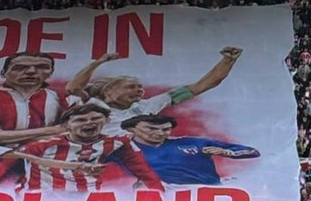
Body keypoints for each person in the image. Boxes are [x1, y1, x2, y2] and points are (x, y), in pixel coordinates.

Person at [66, 46, 243, 136]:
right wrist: (97, 63)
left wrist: (228, 61)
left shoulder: (149, 105)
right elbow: (73, 88)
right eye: (131, 86)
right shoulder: (91, 105)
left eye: (140, 87)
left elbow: (202, 86)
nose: (139, 90)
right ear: (108, 91)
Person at [11, 103, 163, 192]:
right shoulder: (44, 144)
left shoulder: (120, 142)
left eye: (96, 118)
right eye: (80, 120)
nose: (89, 123)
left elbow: (144, 171)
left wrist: (160, 194)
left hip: (87, 199)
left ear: (107, 120)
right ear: (66, 125)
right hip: (43, 197)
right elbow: (6, 159)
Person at [0, 52, 74, 143]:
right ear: (3, 73)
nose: (31, 71)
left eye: (42, 67)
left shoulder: (63, 100)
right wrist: (52, 130)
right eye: (19, 68)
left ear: (51, 72)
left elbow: (76, 130)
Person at [117, 114, 260, 186]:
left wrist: (229, 153)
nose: (160, 133)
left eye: (165, 129)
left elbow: (252, 151)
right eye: (151, 129)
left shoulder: (194, 142)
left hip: (205, 191)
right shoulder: (119, 150)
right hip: (161, 195)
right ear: (131, 129)